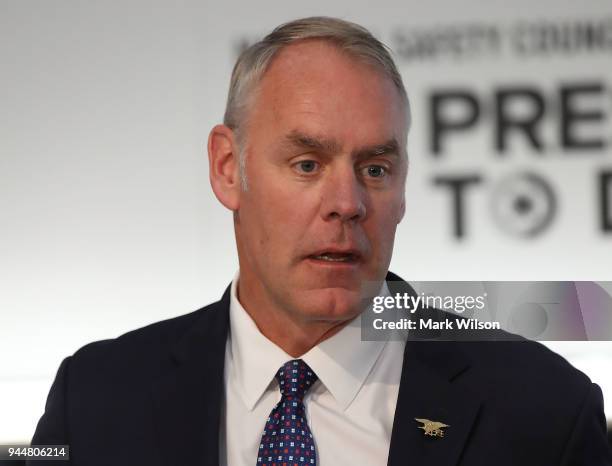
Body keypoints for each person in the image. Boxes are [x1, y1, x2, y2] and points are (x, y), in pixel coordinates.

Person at [30, 16, 611, 466]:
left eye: (376, 169)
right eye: (308, 164)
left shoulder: (544, 410)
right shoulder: (96, 401)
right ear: (229, 168)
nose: (348, 203)